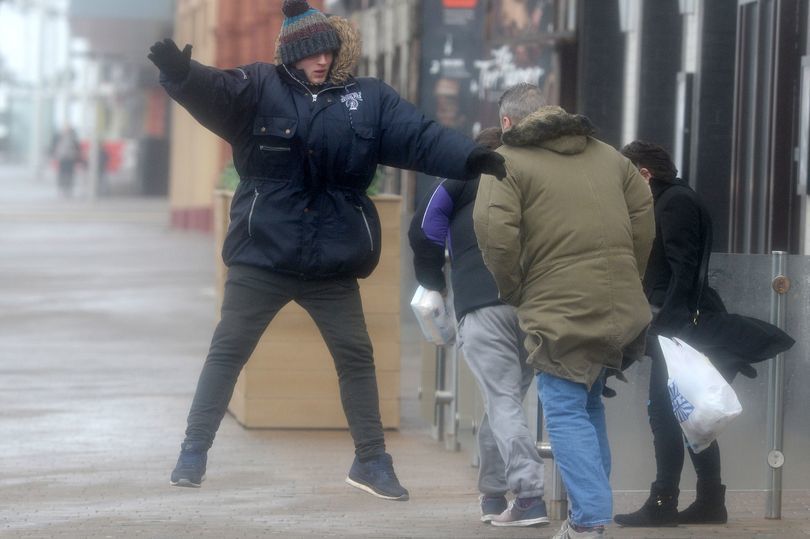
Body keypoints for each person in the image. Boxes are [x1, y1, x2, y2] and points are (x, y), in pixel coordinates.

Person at [147, 0, 506, 501]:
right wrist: (180, 73)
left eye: (329, 50)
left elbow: (420, 137)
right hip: (262, 254)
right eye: (312, 52)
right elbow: (214, 91)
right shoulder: (257, 87)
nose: (322, 59)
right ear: (292, 54)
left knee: (356, 357)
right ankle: (192, 452)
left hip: (331, 257)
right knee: (228, 351)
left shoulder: (369, 99)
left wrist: (472, 157)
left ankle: (372, 461)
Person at [472, 83, 655, 539]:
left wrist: (514, 289)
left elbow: (494, 233)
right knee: (588, 401)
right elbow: (644, 218)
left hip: (558, 305)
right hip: (618, 303)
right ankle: (588, 509)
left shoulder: (508, 163)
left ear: (508, 123)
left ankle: (589, 519)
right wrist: (628, 276)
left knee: (564, 409)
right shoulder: (610, 156)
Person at [408, 127, 548, 528]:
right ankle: (491, 493)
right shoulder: (533, 179)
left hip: (482, 304)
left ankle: (529, 496)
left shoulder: (460, 178)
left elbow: (423, 230)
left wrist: (434, 283)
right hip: (535, 305)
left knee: (502, 401)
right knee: (504, 402)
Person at [613, 141, 728, 526]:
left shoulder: (673, 202)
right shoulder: (674, 199)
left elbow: (683, 268)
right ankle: (711, 501)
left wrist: (667, 327)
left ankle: (663, 503)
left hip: (676, 326)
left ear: (644, 174)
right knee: (689, 413)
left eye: (627, 179)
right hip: (677, 323)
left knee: (666, 412)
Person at [50, 126, 82, 197]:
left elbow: (77, 149)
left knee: (69, 175)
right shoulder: (59, 137)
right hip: (63, 159)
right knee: (63, 174)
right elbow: (54, 147)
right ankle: (63, 188)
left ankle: (68, 188)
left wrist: (78, 160)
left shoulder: (73, 138)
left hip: (70, 159)